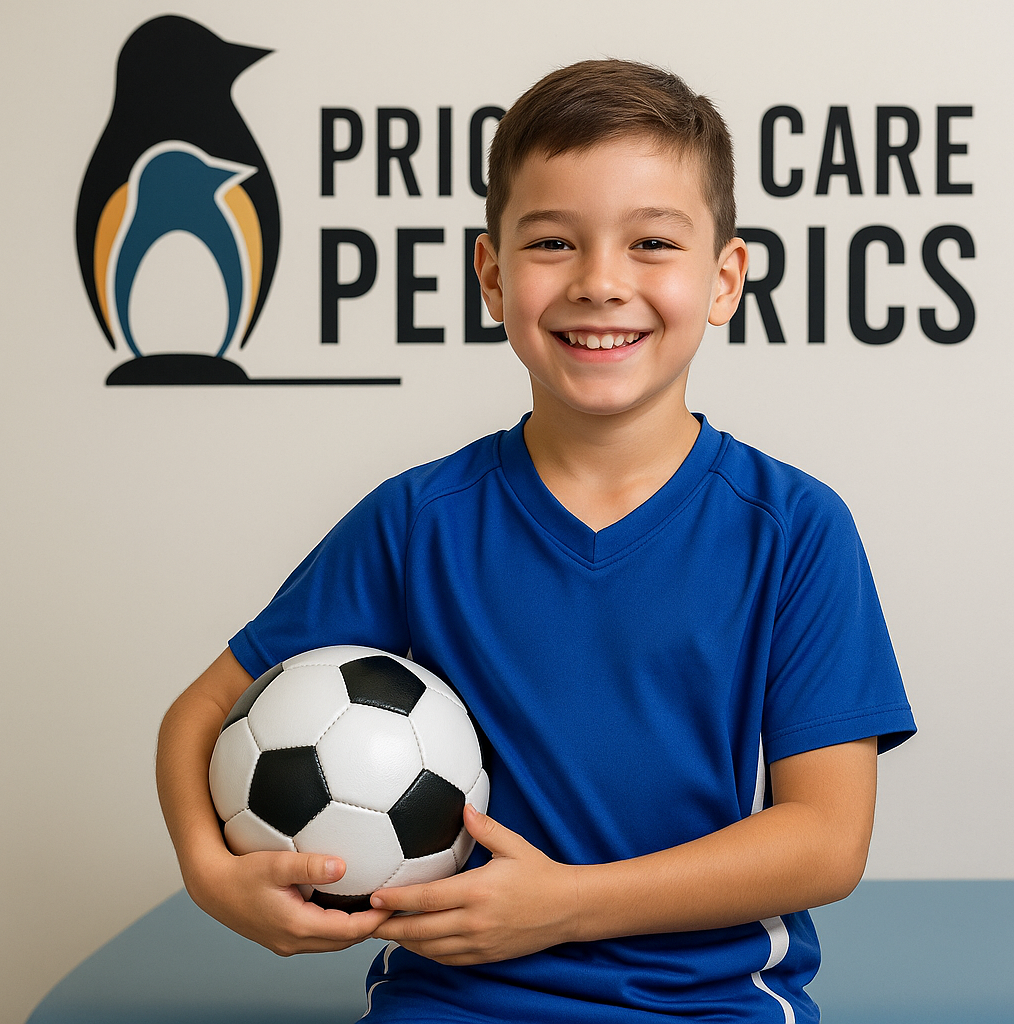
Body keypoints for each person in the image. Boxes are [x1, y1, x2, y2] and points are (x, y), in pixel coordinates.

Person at [157, 59, 915, 1022]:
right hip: (451, 1003)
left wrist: (567, 907)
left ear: (723, 279)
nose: (602, 283)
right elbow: (202, 712)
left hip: (713, 1005)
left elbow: (826, 841)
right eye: (554, 241)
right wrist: (207, 871)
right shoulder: (418, 521)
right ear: (492, 275)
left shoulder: (796, 531)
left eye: (651, 243)